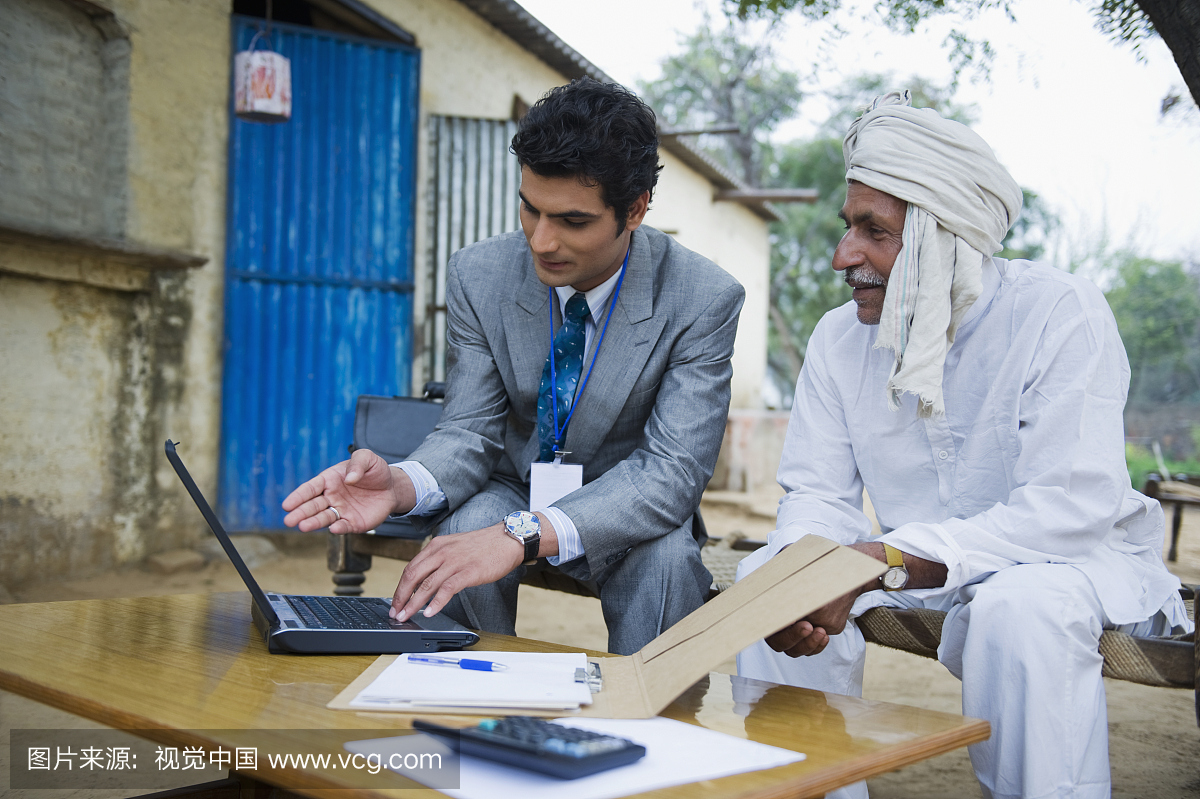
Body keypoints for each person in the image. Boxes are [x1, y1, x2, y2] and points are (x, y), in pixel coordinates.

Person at [735, 91, 1191, 799]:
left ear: (941, 238)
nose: (842, 255)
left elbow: (1065, 512)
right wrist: (808, 566)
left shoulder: (1058, 312)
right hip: (913, 566)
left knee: (1022, 606)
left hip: (1067, 564)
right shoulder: (836, 338)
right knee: (768, 579)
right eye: (846, 226)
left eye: (873, 231)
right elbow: (818, 495)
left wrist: (879, 559)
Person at [282, 78, 745, 656]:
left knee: (668, 561)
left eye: (572, 221)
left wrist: (521, 534)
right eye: (530, 208)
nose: (542, 241)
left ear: (635, 210)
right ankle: (468, 719)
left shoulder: (703, 297)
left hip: (628, 505)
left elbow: (670, 473)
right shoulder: (479, 276)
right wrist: (401, 485)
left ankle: (651, 730)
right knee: (461, 528)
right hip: (513, 489)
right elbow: (468, 431)